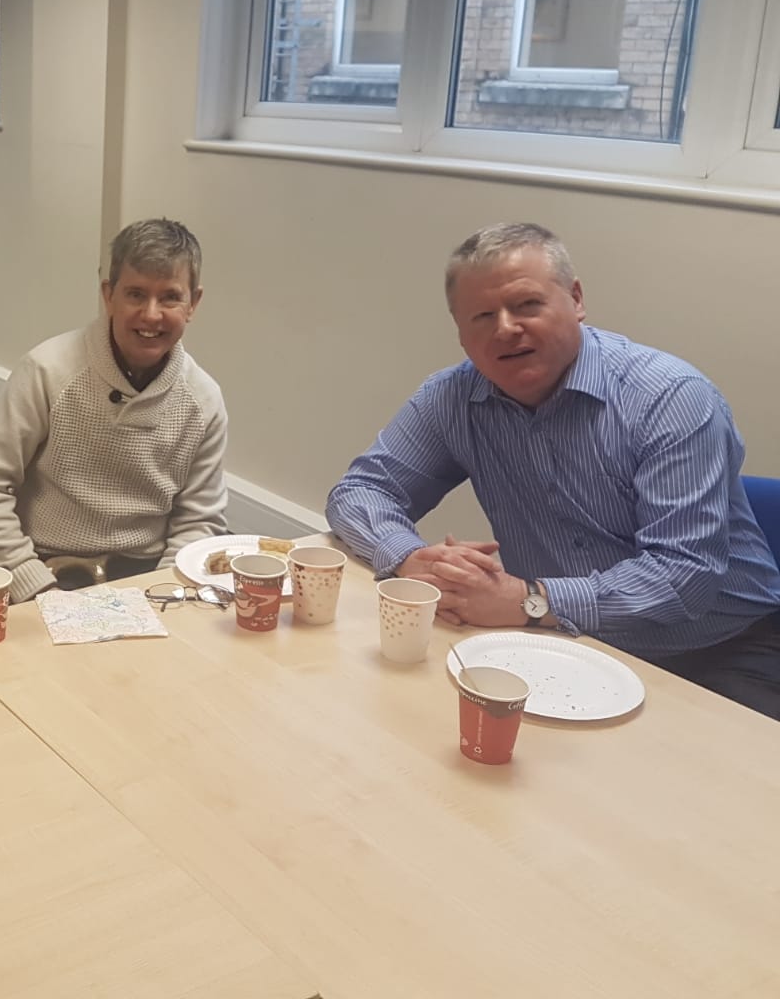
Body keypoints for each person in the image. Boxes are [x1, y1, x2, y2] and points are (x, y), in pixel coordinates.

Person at [326, 221, 780, 718]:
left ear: (576, 299)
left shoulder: (669, 399)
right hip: (566, 641)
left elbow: (683, 575)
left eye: (526, 305)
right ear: (460, 334)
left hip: (724, 648)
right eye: (482, 316)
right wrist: (411, 557)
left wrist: (529, 600)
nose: (505, 328)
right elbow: (361, 491)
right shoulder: (452, 397)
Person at [0, 218, 229, 605]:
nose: (151, 314)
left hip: (149, 576)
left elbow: (199, 520)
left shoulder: (203, 400)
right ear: (108, 295)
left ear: (193, 304)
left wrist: (166, 595)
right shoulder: (46, 371)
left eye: (170, 297)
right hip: (46, 570)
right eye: (135, 294)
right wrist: (32, 584)